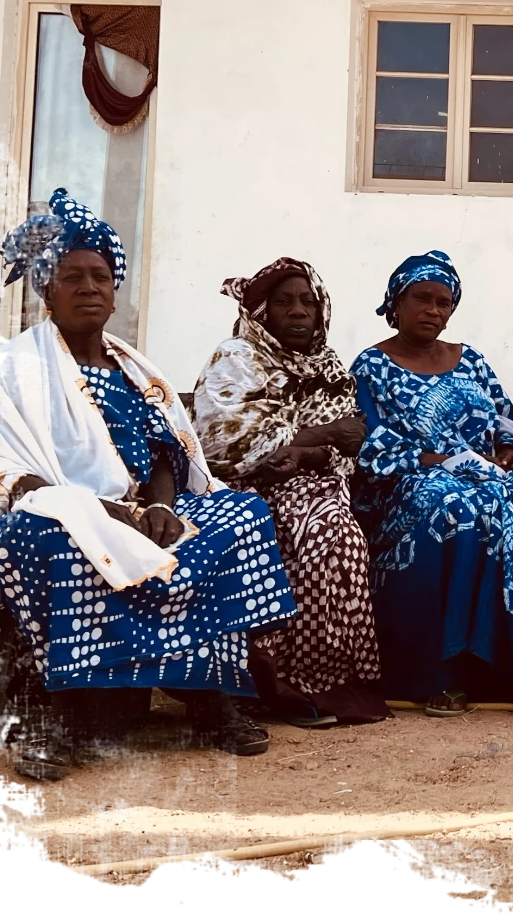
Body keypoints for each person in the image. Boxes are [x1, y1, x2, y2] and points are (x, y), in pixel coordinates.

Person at [0, 189, 289, 779]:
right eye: (71, 276)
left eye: (101, 277)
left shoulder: (136, 369)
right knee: (50, 539)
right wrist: (100, 512)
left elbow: (166, 451)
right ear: (45, 289)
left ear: (114, 288)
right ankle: (67, 719)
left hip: (139, 510)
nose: (89, 288)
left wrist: (157, 507)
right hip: (54, 512)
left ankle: (209, 699)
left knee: (241, 518)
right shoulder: (11, 368)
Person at [349, 251, 513, 717]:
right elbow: (367, 444)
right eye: (422, 298)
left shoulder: (471, 360)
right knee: (457, 508)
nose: (433, 311)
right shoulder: (371, 367)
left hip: (488, 475)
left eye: (444, 303)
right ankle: (448, 671)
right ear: (395, 302)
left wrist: (507, 450)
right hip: (411, 482)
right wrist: (436, 460)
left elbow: (507, 422)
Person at [193, 257, 387, 728]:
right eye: (284, 303)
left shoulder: (331, 366)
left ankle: (323, 681)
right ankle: (266, 682)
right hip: (239, 488)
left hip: (317, 485)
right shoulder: (236, 357)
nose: (299, 312)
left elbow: (351, 444)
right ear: (262, 313)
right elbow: (226, 442)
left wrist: (307, 451)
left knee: (333, 533)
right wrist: (317, 437)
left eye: (307, 302)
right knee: (279, 527)